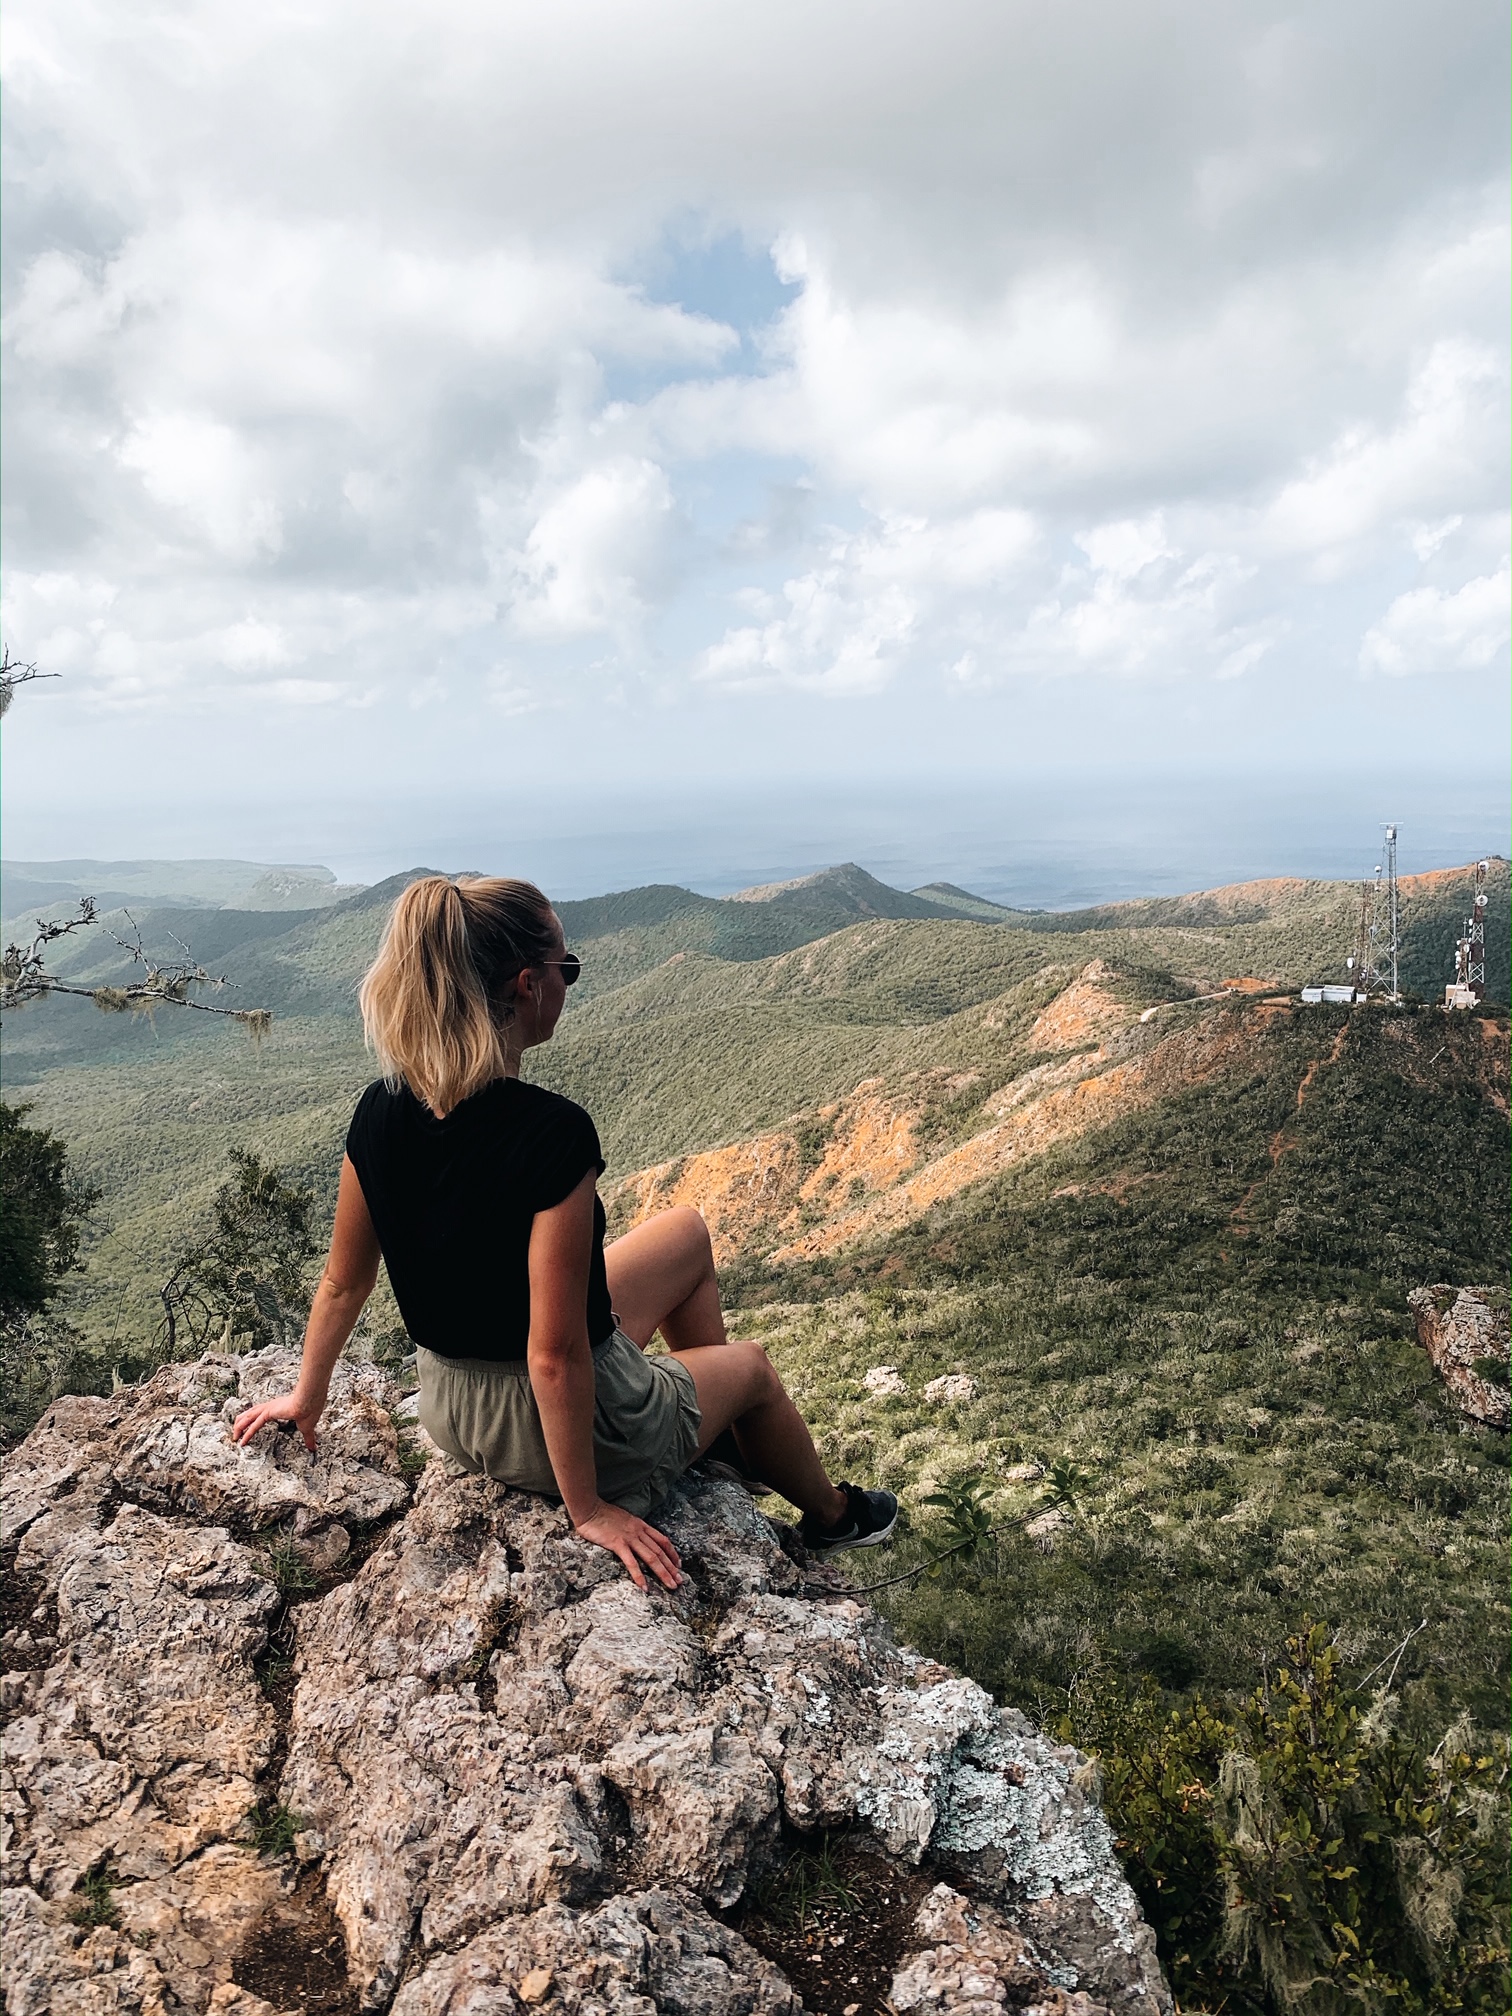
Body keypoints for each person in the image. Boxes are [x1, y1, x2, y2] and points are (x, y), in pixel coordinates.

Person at [231, 874, 897, 1591]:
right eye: (566, 969)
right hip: (559, 1436)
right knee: (755, 1366)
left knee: (686, 1232)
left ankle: (707, 1437)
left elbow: (343, 1280)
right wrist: (589, 1509)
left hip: (452, 1412)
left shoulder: (380, 1107)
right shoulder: (552, 1135)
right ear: (526, 984)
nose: (569, 983)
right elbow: (553, 1354)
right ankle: (831, 1516)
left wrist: (308, 1395)